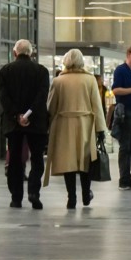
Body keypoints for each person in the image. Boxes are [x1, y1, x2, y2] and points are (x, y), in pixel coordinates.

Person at [44, 49, 106, 209]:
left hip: (64, 125)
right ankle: (86, 194)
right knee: (86, 161)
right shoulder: (90, 80)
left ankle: (71, 197)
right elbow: (97, 107)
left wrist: (49, 125)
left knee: (68, 163)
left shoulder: (58, 81)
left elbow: (51, 107)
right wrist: (101, 129)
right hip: (86, 125)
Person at [0, 39, 50, 209]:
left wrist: (16, 115)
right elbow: (42, 96)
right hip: (36, 122)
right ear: (31, 53)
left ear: (14, 53)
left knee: (15, 160)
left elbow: (2, 96)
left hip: (13, 123)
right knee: (37, 158)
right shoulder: (41, 71)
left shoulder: (5, 71)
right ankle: (34, 192)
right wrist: (28, 114)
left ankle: (16, 197)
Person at [110, 44, 131, 190]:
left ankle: (127, 177)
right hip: (126, 112)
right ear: (129, 53)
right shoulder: (121, 70)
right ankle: (123, 179)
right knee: (125, 146)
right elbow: (116, 90)